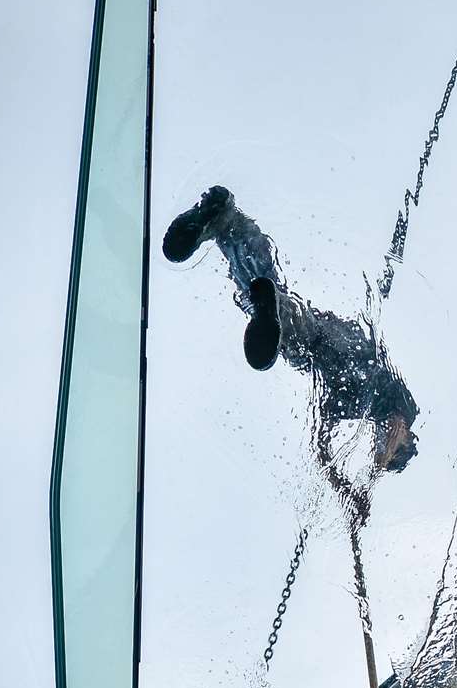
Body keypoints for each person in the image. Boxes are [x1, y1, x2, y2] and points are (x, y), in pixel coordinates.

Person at [161, 185, 419, 512]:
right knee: (284, 321)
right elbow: (398, 422)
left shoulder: (355, 408)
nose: (382, 443)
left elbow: (321, 445)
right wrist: (372, 474)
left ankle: (226, 226)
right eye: (393, 446)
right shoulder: (402, 408)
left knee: (269, 304)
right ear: (406, 439)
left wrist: (345, 490)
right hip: (335, 342)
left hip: (316, 346)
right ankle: (234, 232)